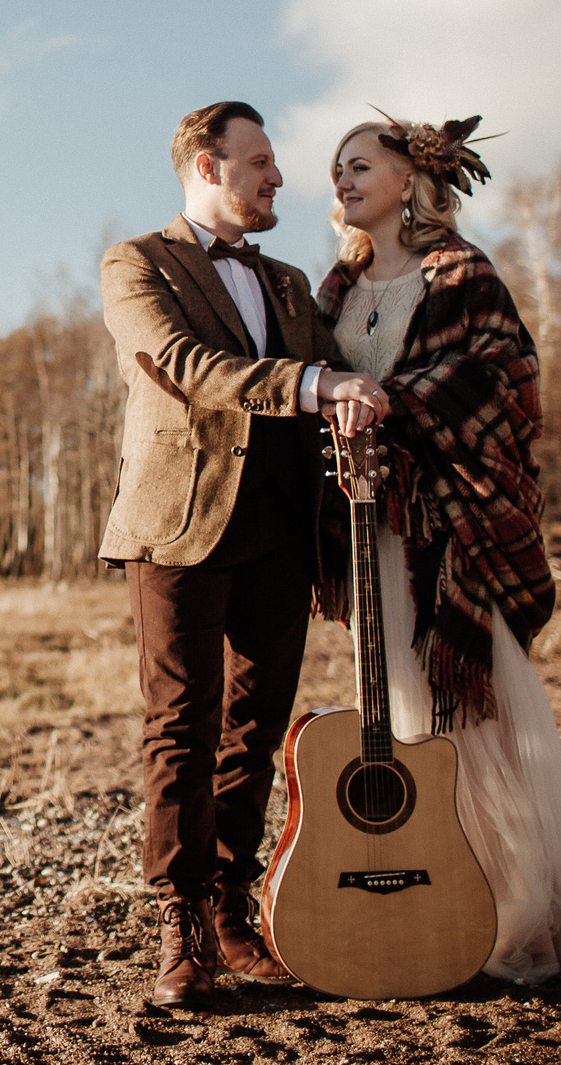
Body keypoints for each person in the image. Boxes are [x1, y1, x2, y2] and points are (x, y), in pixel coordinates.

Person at [99, 100, 390, 1008]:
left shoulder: (296, 282)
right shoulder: (135, 262)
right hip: (177, 528)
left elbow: (359, 350)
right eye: (259, 160)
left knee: (255, 731)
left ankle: (231, 912)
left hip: (281, 532)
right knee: (178, 727)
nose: (277, 177)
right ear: (205, 165)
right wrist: (314, 382)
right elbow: (182, 363)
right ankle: (179, 927)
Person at [316, 113, 561, 984]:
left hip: (448, 533)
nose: (342, 183)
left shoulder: (463, 272)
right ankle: (430, 905)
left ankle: (506, 917)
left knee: (463, 722)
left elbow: (506, 373)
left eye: (359, 166)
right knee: (394, 718)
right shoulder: (334, 289)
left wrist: (394, 404)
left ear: (410, 179)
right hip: (369, 532)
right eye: (336, 171)